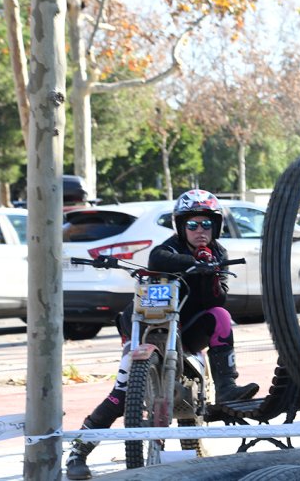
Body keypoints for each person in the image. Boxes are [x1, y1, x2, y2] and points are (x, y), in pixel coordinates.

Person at [66, 190, 259, 480]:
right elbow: (159, 258)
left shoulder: (219, 253)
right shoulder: (168, 248)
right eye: (192, 225)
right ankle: (78, 452)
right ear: (181, 227)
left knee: (221, 316)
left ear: (215, 227)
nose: (200, 231)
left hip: (188, 329)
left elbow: (217, 302)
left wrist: (210, 271)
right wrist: (192, 263)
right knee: (121, 394)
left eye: (206, 224)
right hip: (149, 327)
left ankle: (227, 387)